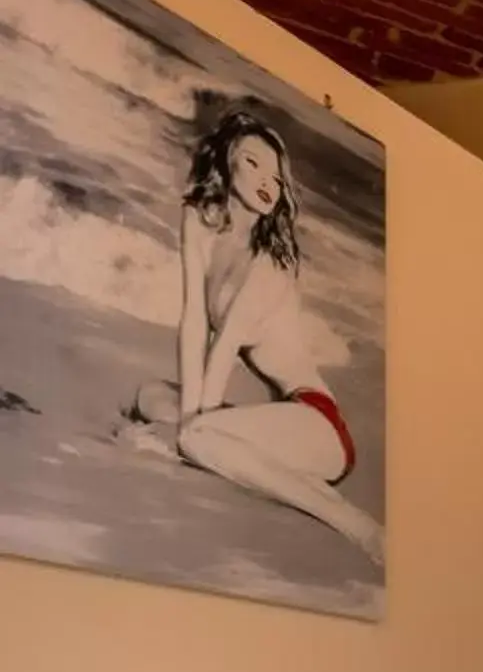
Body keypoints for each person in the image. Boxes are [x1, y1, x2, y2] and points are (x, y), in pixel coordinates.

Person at [127, 108, 380, 563]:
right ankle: (218, 446)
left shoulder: (270, 264)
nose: (269, 181)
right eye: (253, 163)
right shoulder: (200, 223)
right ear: (226, 161)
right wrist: (190, 422)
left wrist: (191, 432)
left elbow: (223, 348)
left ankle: (355, 525)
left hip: (319, 426)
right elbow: (194, 321)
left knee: (197, 437)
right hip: (281, 420)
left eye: (277, 176)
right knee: (150, 396)